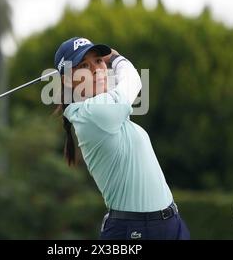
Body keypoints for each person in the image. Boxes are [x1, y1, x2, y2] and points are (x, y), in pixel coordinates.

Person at [54, 37, 190, 240]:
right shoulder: (90, 114)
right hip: (135, 231)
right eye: (83, 66)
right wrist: (116, 58)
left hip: (172, 224)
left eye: (98, 61)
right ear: (66, 80)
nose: (96, 70)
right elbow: (133, 81)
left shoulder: (109, 111)